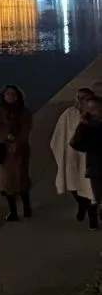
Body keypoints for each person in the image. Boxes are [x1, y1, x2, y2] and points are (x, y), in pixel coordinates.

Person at [53, 88, 96, 227]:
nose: (80, 100)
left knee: (91, 188)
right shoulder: (69, 114)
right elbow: (59, 135)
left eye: (84, 97)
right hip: (72, 157)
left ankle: (92, 217)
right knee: (73, 185)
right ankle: (82, 205)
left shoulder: (96, 114)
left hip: (90, 157)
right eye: (78, 97)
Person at [0, 84, 33, 220]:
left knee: (22, 179)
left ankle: (27, 207)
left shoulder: (24, 112)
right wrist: (6, 136)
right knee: (7, 182)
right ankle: (13, 211)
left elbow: (26, 129)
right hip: (5, 152)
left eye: (13, 94)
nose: (10, 96)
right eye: (8, 94)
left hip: (20, 150)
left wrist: (17, 140)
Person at [71, 96, 102, 227]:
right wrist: (82, 125)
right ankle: (94, 217)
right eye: (89, 108)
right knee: (96, 194)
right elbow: (75, 143)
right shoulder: (87, 126)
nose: (91, 111)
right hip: (95, 165)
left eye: (94, 108)